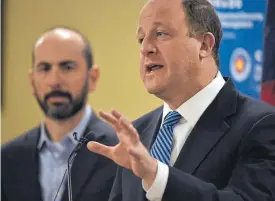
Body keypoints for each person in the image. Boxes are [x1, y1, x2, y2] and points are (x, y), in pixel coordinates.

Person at [87, 0, 275, 200]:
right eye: (141, 39)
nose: (146, 48)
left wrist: (156, 176)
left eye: (160, 34)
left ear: (204, 45)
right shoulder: (137, 134)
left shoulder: (262, 124)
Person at [1, 27, 117, 201]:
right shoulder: (7, 158)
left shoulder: (118, 152)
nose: (54, 81)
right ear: (32, 82)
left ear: (92, 78)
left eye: (67, 67)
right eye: (45, 68)